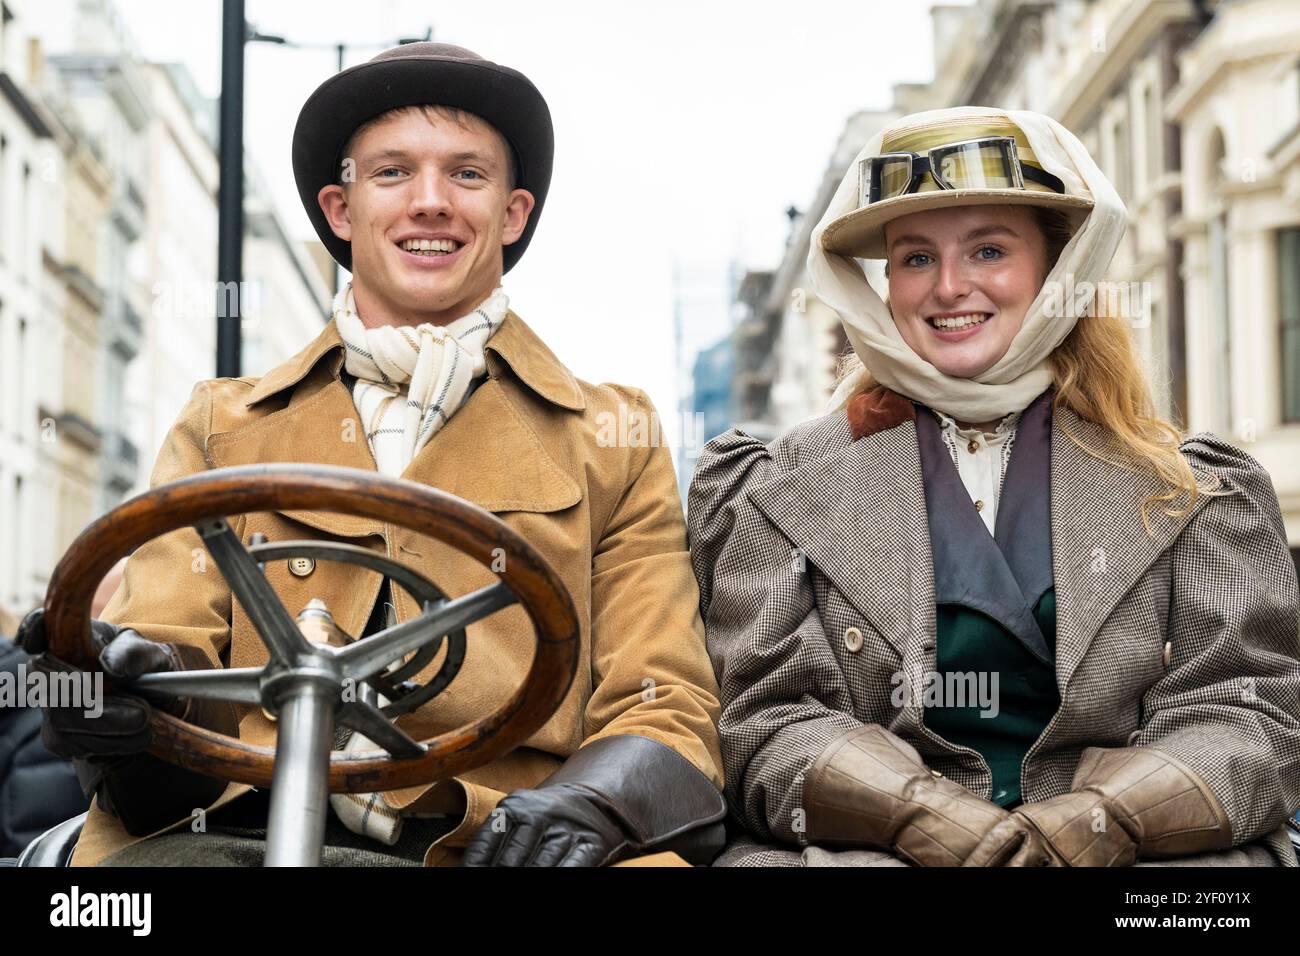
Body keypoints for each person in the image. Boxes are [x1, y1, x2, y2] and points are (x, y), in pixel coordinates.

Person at [18, 42, 725, 867]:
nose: (431, 203)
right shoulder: (223, 426)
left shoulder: (612, 438)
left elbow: (664, 697)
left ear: (514, 213)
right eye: (391, 173)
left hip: (501, 844)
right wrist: (123, 698)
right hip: (241, 834)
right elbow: (168, 645)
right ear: (341, 210)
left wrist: (585, 805)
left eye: (468, 174)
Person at [687, 106, 1300, 867]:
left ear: (1055, 270)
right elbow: (764, 723)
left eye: (987, 250)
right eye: (914, 259)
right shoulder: (772, 490)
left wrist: (1108, 818)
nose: (948, 287)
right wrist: (913, 813)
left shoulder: (1195, 488)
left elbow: (1248, 713)